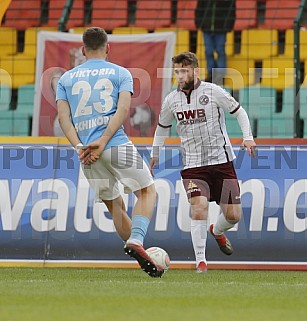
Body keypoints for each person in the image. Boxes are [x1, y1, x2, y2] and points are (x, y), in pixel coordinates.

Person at [56, 27, 163, 278]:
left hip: (87, 155)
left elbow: (63, 118)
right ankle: (137, 240)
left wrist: (80, 147)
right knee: (147, 190)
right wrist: (104, 140)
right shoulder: (120, 73)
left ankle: (138, 250)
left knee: (116, 207)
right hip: (114, 143)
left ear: (83, 50)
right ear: (108, 47)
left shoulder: (65, 79)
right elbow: (123, 109)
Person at [149, 52, 256, 273]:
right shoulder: (171, 100)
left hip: (222, 161)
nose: (180, 75)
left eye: (184, 71)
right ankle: (201, 262)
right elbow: (162, 127)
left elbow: (239, 112)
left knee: (233, 216)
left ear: (196, 71)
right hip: (193, 165)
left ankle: (216, 231)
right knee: (199, 207)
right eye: (177, 71)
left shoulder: (213, 91)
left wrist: (247, 137)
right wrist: (155, 153)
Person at [195, 0, 236, 85]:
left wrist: (228, 26)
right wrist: (199, 23)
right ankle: (211, 73)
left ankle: (220, 75)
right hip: (207, 28)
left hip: (221, 29)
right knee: (208, 51)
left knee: (220, 51)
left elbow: (231, 11)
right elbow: (199, 9)